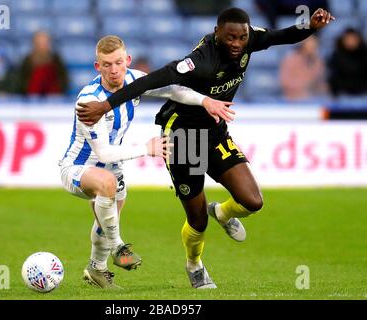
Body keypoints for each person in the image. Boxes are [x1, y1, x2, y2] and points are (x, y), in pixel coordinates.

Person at [76, 8, 335, 289]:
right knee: (197, 221)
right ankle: (194, 265)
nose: (237, 44)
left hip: (215, 132)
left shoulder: (249, 40)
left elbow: (281, 36)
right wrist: (105, 105)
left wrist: (309, 26)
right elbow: (153, 79)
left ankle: (222, 212)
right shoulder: (200, 61)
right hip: (184, 136)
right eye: (230, 38)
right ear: (217, 33)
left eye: (242, 37)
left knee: (253, 201)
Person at [59, 35, 235, 289]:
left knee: (105, 219)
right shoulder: (89, 100)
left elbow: (174, 90)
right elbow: (104, 153)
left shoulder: (134, 80)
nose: (114, 69)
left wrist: (205, 101)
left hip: (112, 167)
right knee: (106, 187)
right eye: (106, 64)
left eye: (118, 62)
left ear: (127, 60)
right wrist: (146, 149)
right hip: (77, 167)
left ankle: (96, 269)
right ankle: (119, 247)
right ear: (97, 67)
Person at [17, 31, 69, 95]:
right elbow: (22, 81)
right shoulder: (27, 60)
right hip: (32, 98)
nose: (42, 46)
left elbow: (63, 80)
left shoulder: (56, 59)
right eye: (40, 43)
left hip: (54, 98)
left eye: (45, 43)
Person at [280, 35, 328, 100]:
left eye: (314, 47)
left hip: (314, 98)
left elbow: (321, 80)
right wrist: (305, 84)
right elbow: (285, 82)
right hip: (293, 99)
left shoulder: (318, 61)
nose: (312, 49)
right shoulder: (290, 60)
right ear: (303, 47)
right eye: (310, 47)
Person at [328, 28, 367, 96]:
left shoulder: (364, 55)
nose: (350, 42)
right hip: (342, 94)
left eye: (353, 39)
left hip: (363, 93)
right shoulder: (336, 56)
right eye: (348, 39)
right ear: (343, 40)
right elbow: (334, 79)